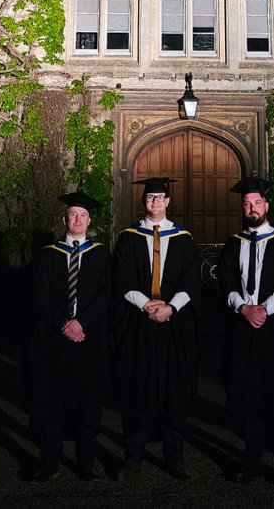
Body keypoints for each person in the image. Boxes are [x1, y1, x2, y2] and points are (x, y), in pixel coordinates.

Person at [218, 177, 274, 488]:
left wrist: (263, 310)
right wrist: (244, 308)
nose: (251, 208)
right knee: (248, 395)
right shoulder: (233, 244)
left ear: (266, 206)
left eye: (256, 203)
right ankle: (251, 459)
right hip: (244, 329)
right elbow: (226, 284)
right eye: (246, 204)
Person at [110, 176, 200, 481]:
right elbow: (121, 279)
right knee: (138, 389)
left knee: (174, 390)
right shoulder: (128, 237)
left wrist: (170, 307)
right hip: (139, 324)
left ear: (168, 201)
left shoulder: (184, 238)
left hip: (173, 325)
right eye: (150, 198)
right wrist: (146, 305)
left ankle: (174, 457)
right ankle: (133, 457)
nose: (155, 203)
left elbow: (191, 281)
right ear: (143, 201)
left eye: (160, 198)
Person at [26, 191, 111, 482]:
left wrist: (81, 322)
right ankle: (50, 459)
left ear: (89, 221)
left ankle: (85, 459)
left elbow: (105, 295)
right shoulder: (49, 255)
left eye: (83, 215)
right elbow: (41, 297)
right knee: (53, 397)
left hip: (88, 336)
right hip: (53, 337)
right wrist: (64, 324)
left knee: (87, 397)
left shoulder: (100, 254)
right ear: (65, 219)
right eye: (73, 215)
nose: (77, 220)